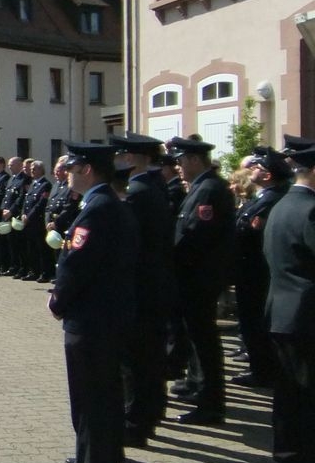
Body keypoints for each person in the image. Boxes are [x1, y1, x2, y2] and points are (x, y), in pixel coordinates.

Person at [45, 142, 138, 463]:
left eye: (72, 167)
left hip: (91, 320)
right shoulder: (109, 204)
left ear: (87, 170)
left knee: (90, 404)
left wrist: (57, 301)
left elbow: (76, 266)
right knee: (106, 400)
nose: (67, 173)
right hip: (109, 318)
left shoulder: (97, 208)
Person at [111, 132, 175, 446]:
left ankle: (135, 423)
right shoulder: (154, 185)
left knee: (135, 362)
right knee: (149, 358)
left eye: (121, 154)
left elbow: (127, 245)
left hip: (139, 288)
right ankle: (149, 414)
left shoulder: (137, 192)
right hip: (154, 284)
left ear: (131, 158)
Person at [167, 136, 235, 425]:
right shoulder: (202, 186)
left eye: (181, 161)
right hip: (195, 277)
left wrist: (171, 262)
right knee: (197, 338)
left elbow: (196, 237)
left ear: (195, 160)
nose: (178, 166)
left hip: (199, 278)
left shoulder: (209, 189)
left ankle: (211, 404)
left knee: (204, 340)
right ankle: (198, 385)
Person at [263, 141, 315, 463]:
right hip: (305, 315)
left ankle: (287, 461)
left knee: (287, 394)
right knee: (307, 397)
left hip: (281, 311)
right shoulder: (310, 210)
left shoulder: (282, 204)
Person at [233, 147, 291, 393]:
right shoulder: (264, 196)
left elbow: (249, 230)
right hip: (248, 269)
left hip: (256, 270)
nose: (252, 170)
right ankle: (260, 368)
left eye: (258, 167)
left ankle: (263, 372)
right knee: (251, 322)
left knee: (255, 322)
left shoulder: (272, 198)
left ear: (267, 175)